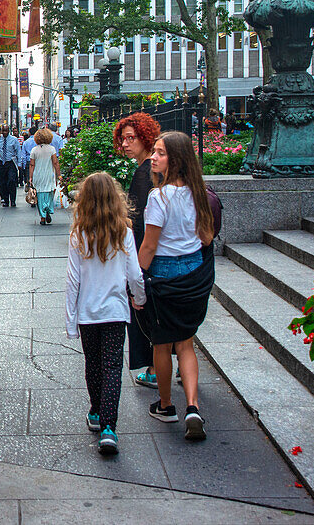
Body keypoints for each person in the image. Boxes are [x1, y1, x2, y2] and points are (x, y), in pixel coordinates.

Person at [138, 131, 215, 442]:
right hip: (194, 273)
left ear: (176, 160)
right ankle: (193, 406)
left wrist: (134, 279)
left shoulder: (159, 198)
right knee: (186, 343)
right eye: (154, 152)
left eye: (160, 153)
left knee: (161, 344)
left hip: (165, 276)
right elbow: (207, 237)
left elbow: (149, 246)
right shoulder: (200, 194)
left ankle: (167, 405)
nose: (153, 158)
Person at [65, 172, 146, 455]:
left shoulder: (79, 234)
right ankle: (110, 428)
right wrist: (139, 298)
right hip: (115, 311)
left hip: (88, 313)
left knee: (93, 363)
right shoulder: (124, 231)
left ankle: (96, 412)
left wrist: (71, 320)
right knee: (112, 367)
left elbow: (72, 281)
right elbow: (134, 274)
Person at [113, 112, 161, 387]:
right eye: (123, 139)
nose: (126, 144)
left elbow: (141, 221)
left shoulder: (145, 173)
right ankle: (163, 366)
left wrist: (138, 263)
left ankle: (155, 369)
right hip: (151, 252)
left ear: (145, 137)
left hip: (147, 253)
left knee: (147, 315)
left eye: (131, 138)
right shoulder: (146, 169)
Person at [28, 128, 61, 224]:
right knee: (49, 193)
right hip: (49, 174)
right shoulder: (52, 149)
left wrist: (30, 177)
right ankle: (48, 210)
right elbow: (55, 163)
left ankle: (42, 217)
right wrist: (59, 175)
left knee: (39, 195)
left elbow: (32, 165)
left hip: (38, 175)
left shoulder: (34, 150)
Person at [0, 125, 23, 206]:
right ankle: (6, 200)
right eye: (3, 131)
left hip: (10, 162)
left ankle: (13, 200)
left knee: (11, 181)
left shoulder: (14, 140)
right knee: (2, 182)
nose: (4, 133)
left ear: (9, 131)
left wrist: (19, 163)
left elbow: (18, 152)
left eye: (6, 131)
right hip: (1, 162)